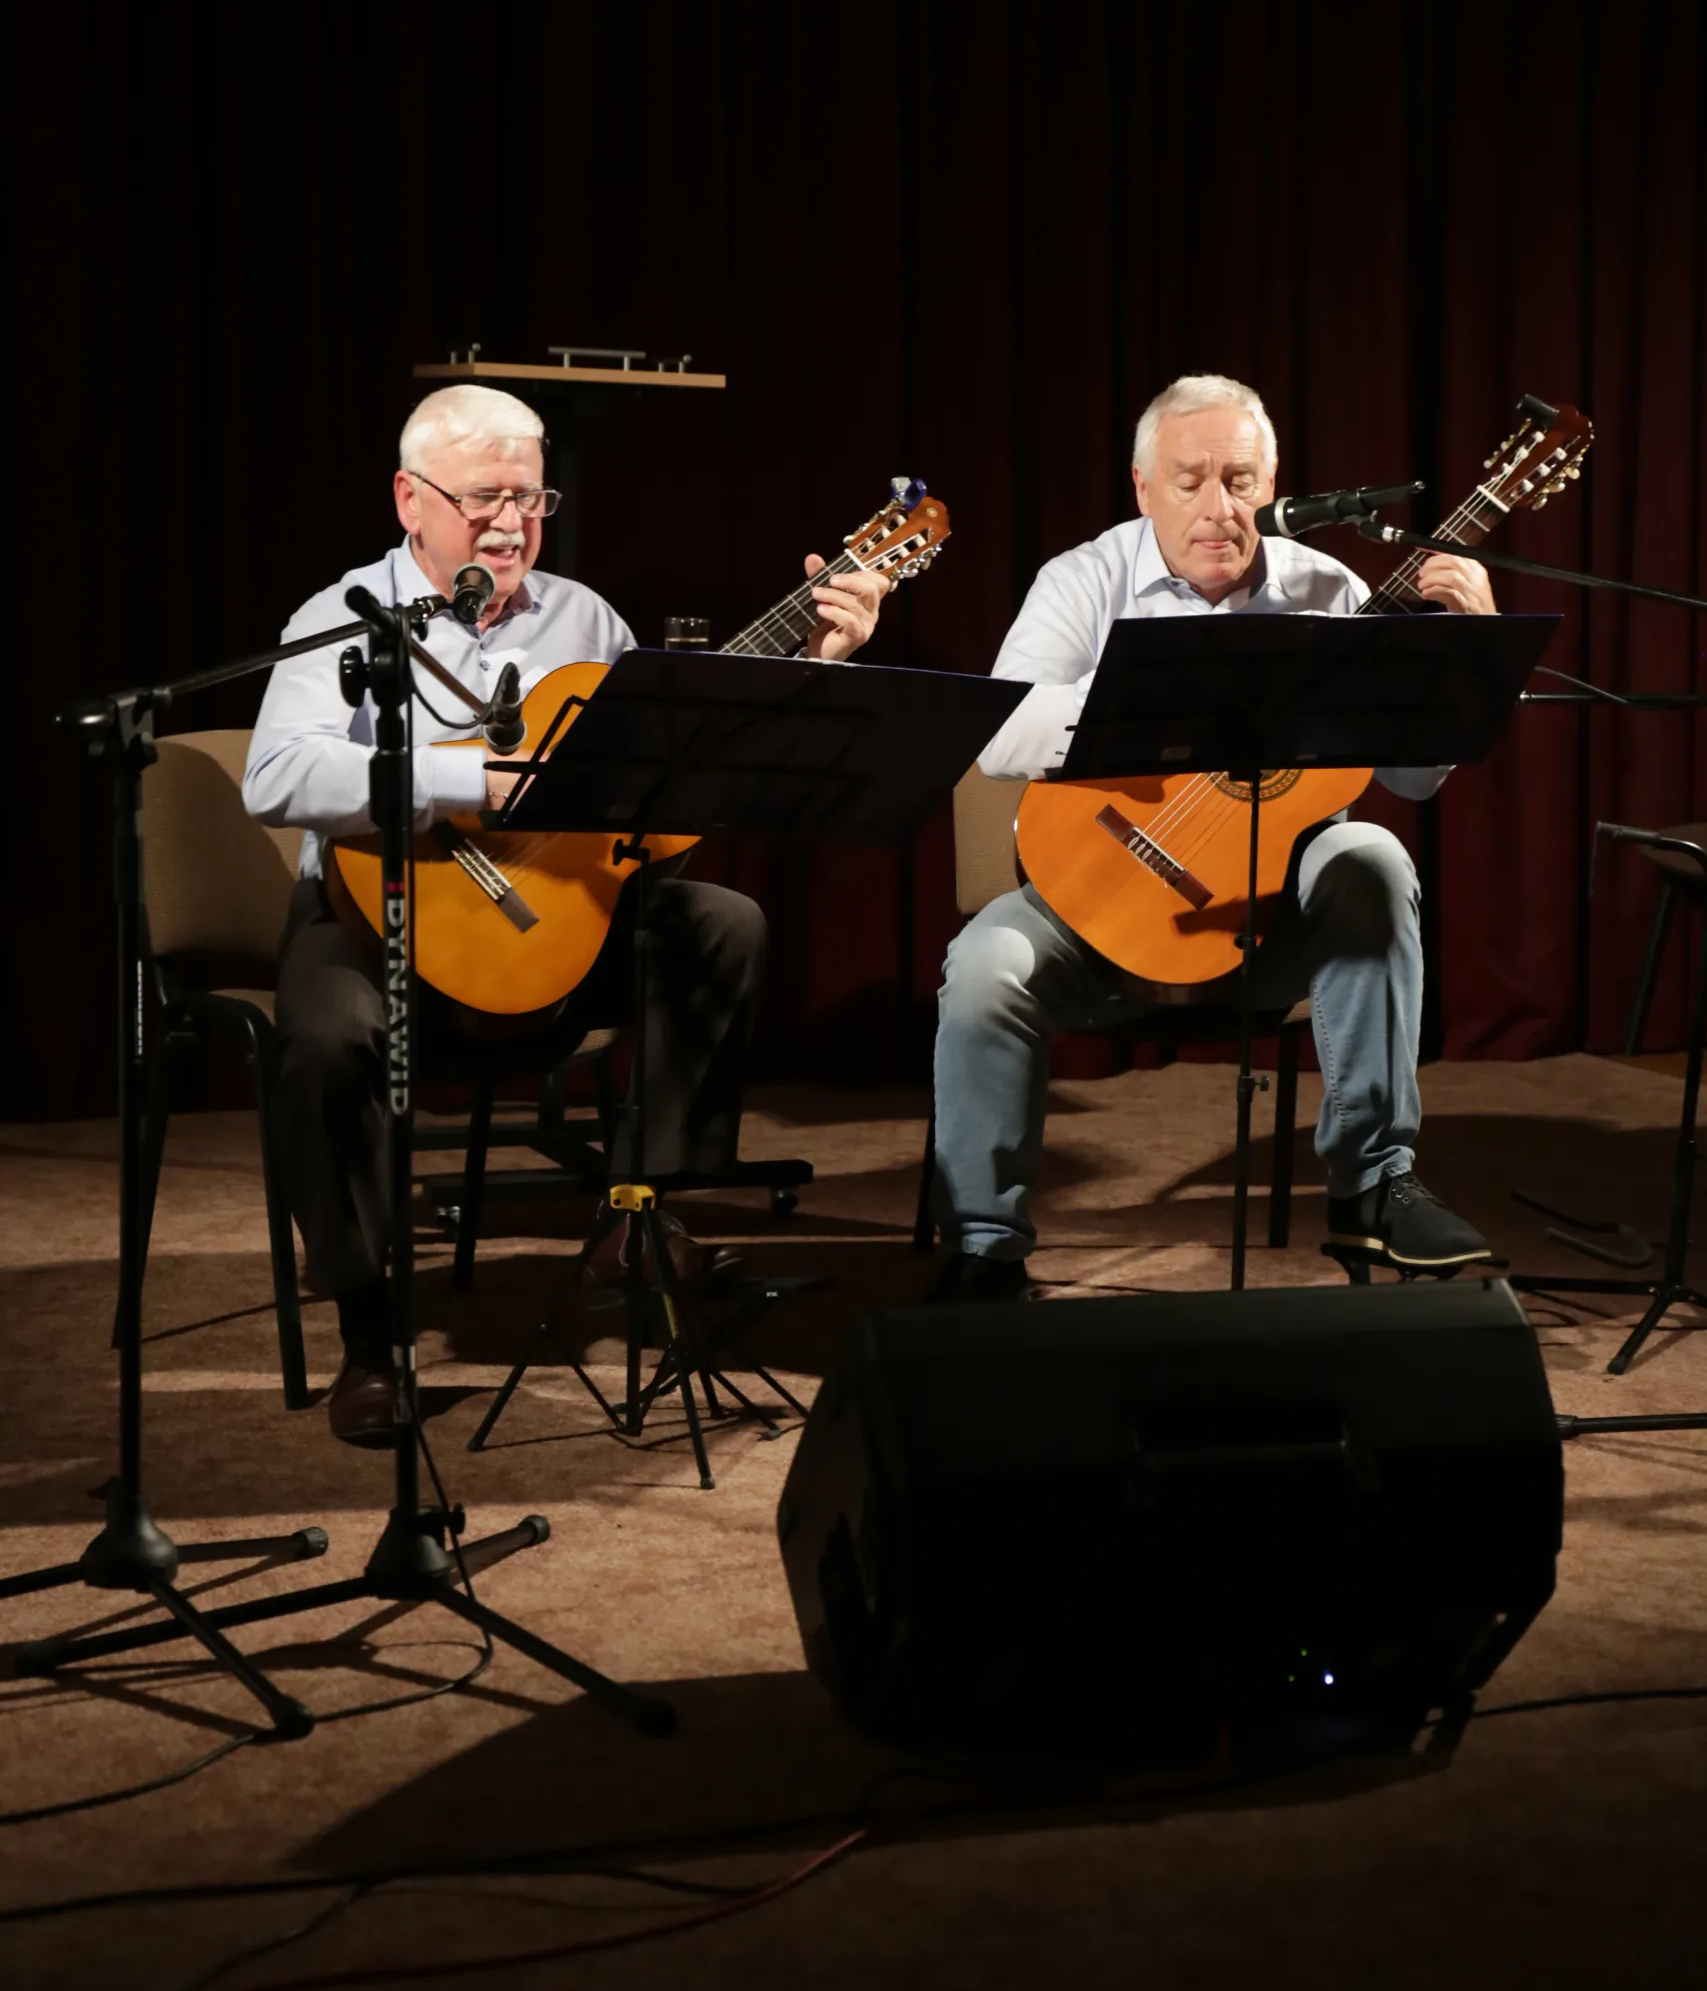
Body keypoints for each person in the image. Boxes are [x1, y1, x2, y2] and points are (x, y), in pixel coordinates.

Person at [245, 383, 887, 1441]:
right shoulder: (344, 615)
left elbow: (676, 780)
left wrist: (812, 670)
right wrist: (470, 782)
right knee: (321, 1044)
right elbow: (275, 774)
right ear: (410, 499)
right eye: (484, 498)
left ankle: (636, 1215)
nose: (512, 523)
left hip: (552, 920)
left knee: (720, 924)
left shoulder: (586, 621)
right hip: (376, 916)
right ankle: (369, 1329)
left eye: (531, 498)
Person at [930, 370, 1496, 1302]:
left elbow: (1412, 779)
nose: (1217, 508)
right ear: (1142, 487)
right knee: (984, 968)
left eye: (1239, 482)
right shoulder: (1082, 580)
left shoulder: (1330, 591)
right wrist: (1161, 706)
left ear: (1271, 486)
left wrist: (1461, 662)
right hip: (1099, 909)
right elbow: (999, 737)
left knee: (1370, 854)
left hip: (1273, 924)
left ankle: (1373, 1186)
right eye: (1188, 481)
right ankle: (985, 1245)